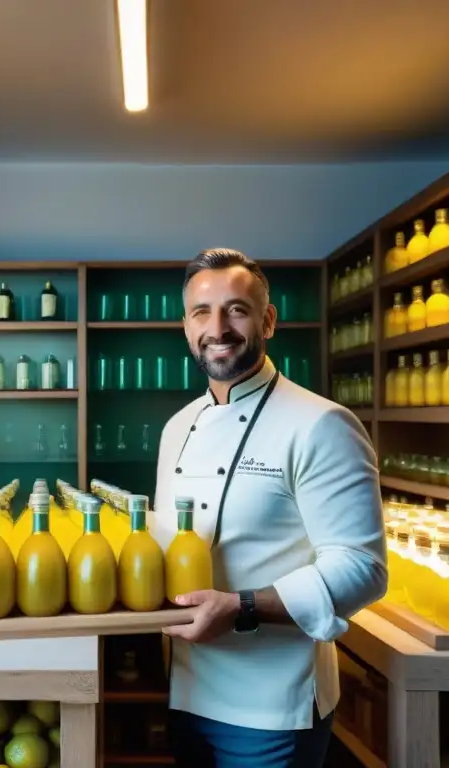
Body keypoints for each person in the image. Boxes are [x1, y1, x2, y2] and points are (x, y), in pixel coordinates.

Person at [151, 248, 387, 768]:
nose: (218, 327)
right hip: (186, 689)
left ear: (268, 320)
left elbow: (363, 568)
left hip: (272, 707)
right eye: (202, 312)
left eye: (236, 309)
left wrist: (242, 607)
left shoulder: (322, 423)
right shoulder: (176, 428)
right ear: (186, 328)